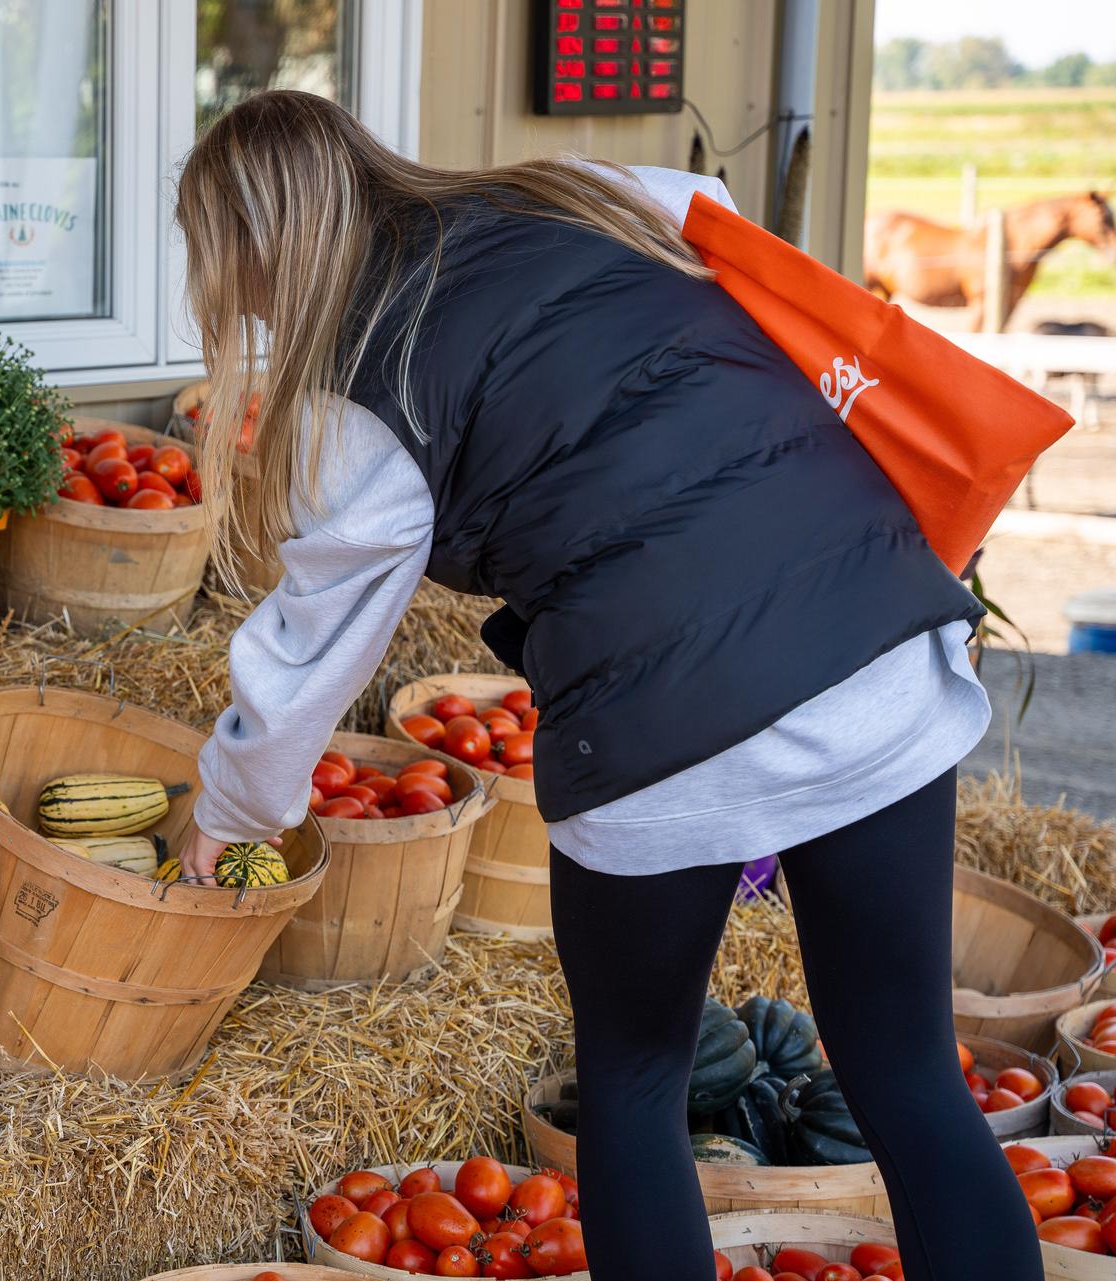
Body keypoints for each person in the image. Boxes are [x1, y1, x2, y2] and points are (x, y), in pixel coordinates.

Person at [172, 91, 1039, 1281]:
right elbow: (720, 220)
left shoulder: (353, 394)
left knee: (634, 1091)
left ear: (248, 253)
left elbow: (311, 651)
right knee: (909, 1081)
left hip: (667, 718)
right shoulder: (582, 191)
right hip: (873, 647)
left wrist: (228, 812)